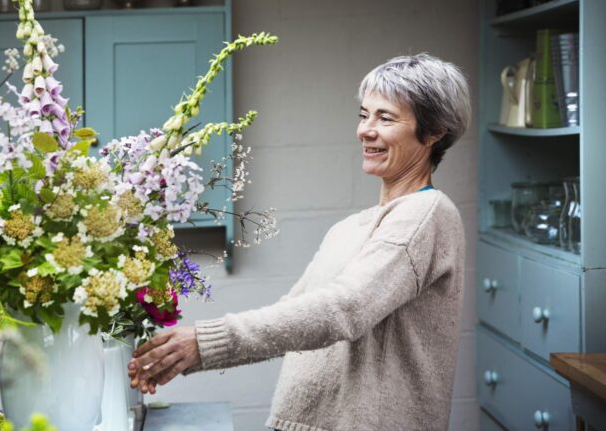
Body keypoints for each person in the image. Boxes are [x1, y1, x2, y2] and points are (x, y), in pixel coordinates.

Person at [128, 53, 471, 431]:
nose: (365, 130)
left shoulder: (427, 214)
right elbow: (296, 313)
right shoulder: (349, 229)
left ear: (434, 132)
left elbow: (345, 308)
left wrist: (205, 343)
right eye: (363, 115)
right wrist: (187, 354)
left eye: (385, 118)